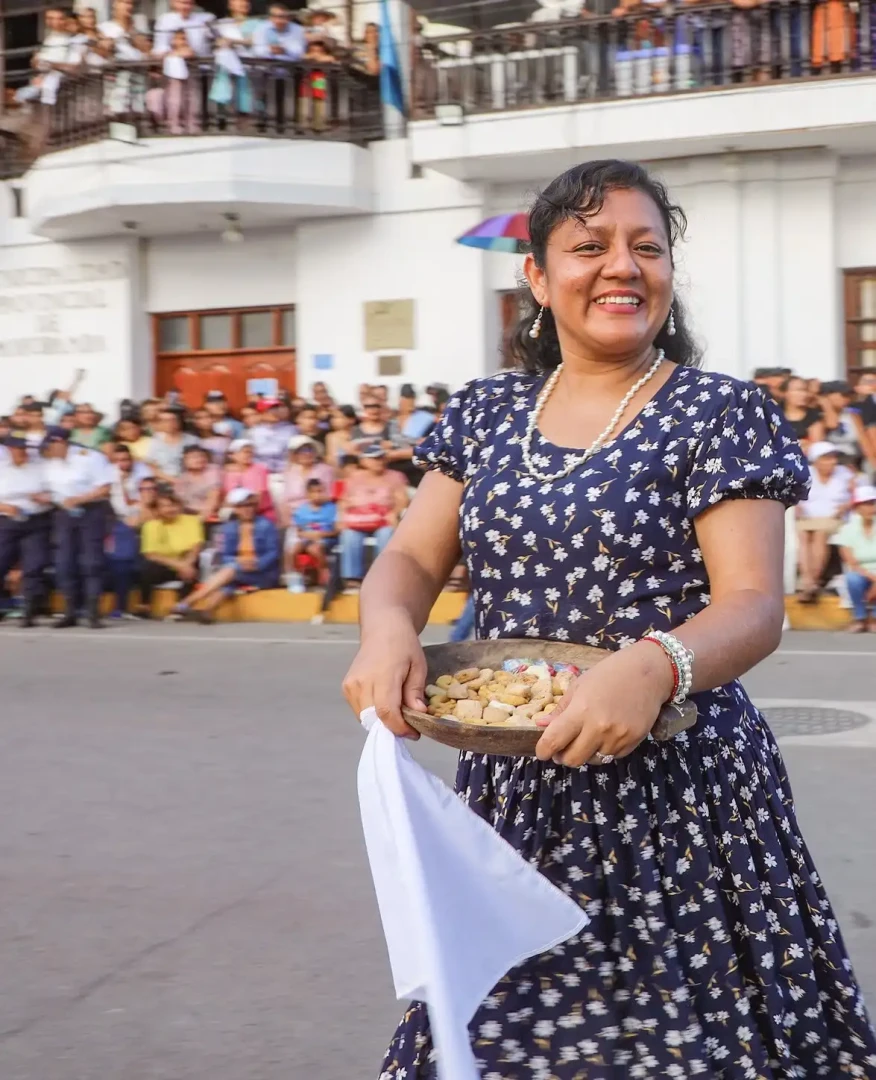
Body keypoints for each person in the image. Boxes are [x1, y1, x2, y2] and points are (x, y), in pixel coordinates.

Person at [343, 160, 876, 1078]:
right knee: (504, 1032)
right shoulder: (486, 410)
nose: (622, 267)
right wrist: (387, 627)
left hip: (681, 794)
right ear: (540, 281)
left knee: (689, 1044)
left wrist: (656, 663)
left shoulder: (719, 411)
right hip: (513, 792)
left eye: (647, 247)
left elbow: (753, 605)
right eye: (589, 247)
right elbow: (411, 559)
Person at [170, 487, 279, 621]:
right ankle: (208, 610)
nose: (247, 509)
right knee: (229, 579)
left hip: (264, 574)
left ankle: (187, 602)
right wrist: (240, 561)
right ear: (236, 509)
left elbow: (273, 552)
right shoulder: (229, 528)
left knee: (230, 572)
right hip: (238, 570)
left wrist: (257, 563)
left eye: (251, 505)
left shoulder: (266, 525)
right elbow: (224, 555)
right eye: (242, 506)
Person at [42, 427, 113, 629]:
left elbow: (105, 488)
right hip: (64, 514)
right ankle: (70, 611)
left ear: (61, 443)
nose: (48, 450)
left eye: (50, 445)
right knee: (64, 563)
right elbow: (51, 490)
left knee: (91, 563)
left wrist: (80, 499)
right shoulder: (49, 464)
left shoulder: (90, 457)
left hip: (91, 511)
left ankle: (93, 613)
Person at [337, 445, 407, 590]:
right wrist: (341, 517)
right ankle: (352, 578)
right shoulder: (354, 477)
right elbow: (343, 500)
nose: (378, 462)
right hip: (358, 519)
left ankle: (382, 575)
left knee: (385, 535)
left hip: (384, 519)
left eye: (381, 458)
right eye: (374, 459)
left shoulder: (395, 476)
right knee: (349, 536)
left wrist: (394, 513)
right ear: (364, 461)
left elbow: (402, 500)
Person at [0, 435, 53, 626]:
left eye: (24, 448)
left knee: (33, 566)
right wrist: (5, 507)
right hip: (8, 521)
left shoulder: (40, 468)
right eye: (18, 449)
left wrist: (45, 498)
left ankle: (30, 611)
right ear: (9, 450)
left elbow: (55, 492)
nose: (23, 452)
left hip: (36, 521)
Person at [796, 440, 855, 601]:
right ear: (816, 460)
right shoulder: (805, 473)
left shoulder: (845, 473)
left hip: (833, 517)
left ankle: (810, 583)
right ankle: (810, 583)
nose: (833, 462)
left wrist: (846, 505)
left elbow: (856, 495)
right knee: (803, 535)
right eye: (827, 458)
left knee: (820, 534)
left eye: (833, 458)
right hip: (808, 517)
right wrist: (797, 507)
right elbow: (795, 496)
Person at [138, 487, 204, 616]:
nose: (170, 509)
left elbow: (196, 545)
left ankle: (181, 605)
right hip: (164, 564)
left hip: (185, 562)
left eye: (173, 505)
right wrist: (179, 565)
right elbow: (151, 554)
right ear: (157, 510)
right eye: (165, 506)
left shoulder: (192, 521)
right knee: (146, 566)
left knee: (195, 562)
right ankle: (144, 606)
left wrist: (186, 564)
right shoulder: (151, 526)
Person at [107, 444, 152, 619]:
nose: (122, 464)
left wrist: (139, 517)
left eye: (125, 459)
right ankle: (120, 607)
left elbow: (148, 498)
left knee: (134, 561)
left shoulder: (142, 472)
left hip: (144, 518)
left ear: (131, 459)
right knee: (120, 563)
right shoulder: (107, 474)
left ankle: (138, 605)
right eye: (117, 460)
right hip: (118, 521)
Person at [833, 484, 876, 632]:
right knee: (852, 578)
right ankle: (860, 618)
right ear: (857, 508)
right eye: (866, 504)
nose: (871, 508)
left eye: (873, 503)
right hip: (863, 572)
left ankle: (874, 619)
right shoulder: (847, 529)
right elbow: (851, 561)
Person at [287, 477, 336, 584]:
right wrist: (306, 534)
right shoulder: (302, 510)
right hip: (307, 537)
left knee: (314, 549)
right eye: (313, 492)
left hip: (325, 538)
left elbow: (337, 531)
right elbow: (298, 531)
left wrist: (321, 534)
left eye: (320, 491)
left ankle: (324, 572)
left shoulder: (331, 508)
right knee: (294, 549)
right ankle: (296, 576)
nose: (317, 495)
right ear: (307, 494)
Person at [279, 435, 334, 529]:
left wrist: (308, 511)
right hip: (295, 519)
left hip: (320, 517)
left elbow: (330, 496)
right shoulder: (290, 473)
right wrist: (287, 521)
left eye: (310, 449)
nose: (306, 453)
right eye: (301, 451)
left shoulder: (325, 470)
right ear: (294, 455)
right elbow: (285, 501)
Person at [221, 438, 275, 519]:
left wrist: (247, 512)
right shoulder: (227, 473)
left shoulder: (260, 469)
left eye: (250, 452)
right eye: (244, 452)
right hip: (235, 512)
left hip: (259, 512)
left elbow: (260, 496)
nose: (248, 455)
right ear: (232, 455)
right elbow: (227, 498)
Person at [174, 444, 221, 522]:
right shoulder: (183, 477)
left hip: (209, 514)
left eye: (202, 456)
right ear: (185, 461)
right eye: (194, 457)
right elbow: (179, 501)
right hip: (188, 513)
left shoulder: (212, 470)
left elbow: (214, 497)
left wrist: (201, 518)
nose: (199, 459)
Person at [147, 407, 195, 482]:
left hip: (189, 481)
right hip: (163, 481)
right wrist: (173, 480)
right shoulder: (154, 441)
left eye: (172, 420)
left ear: (179, 421)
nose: (169, 424)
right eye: (164, 421)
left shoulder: (192, 440)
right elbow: (152, 467)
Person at [781, 374, 825, 447]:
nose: (803, 395)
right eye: (798, 390)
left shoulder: (813, 416)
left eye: (805, 391)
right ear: (785, 393)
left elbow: (817, 445)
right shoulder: (773, 414)